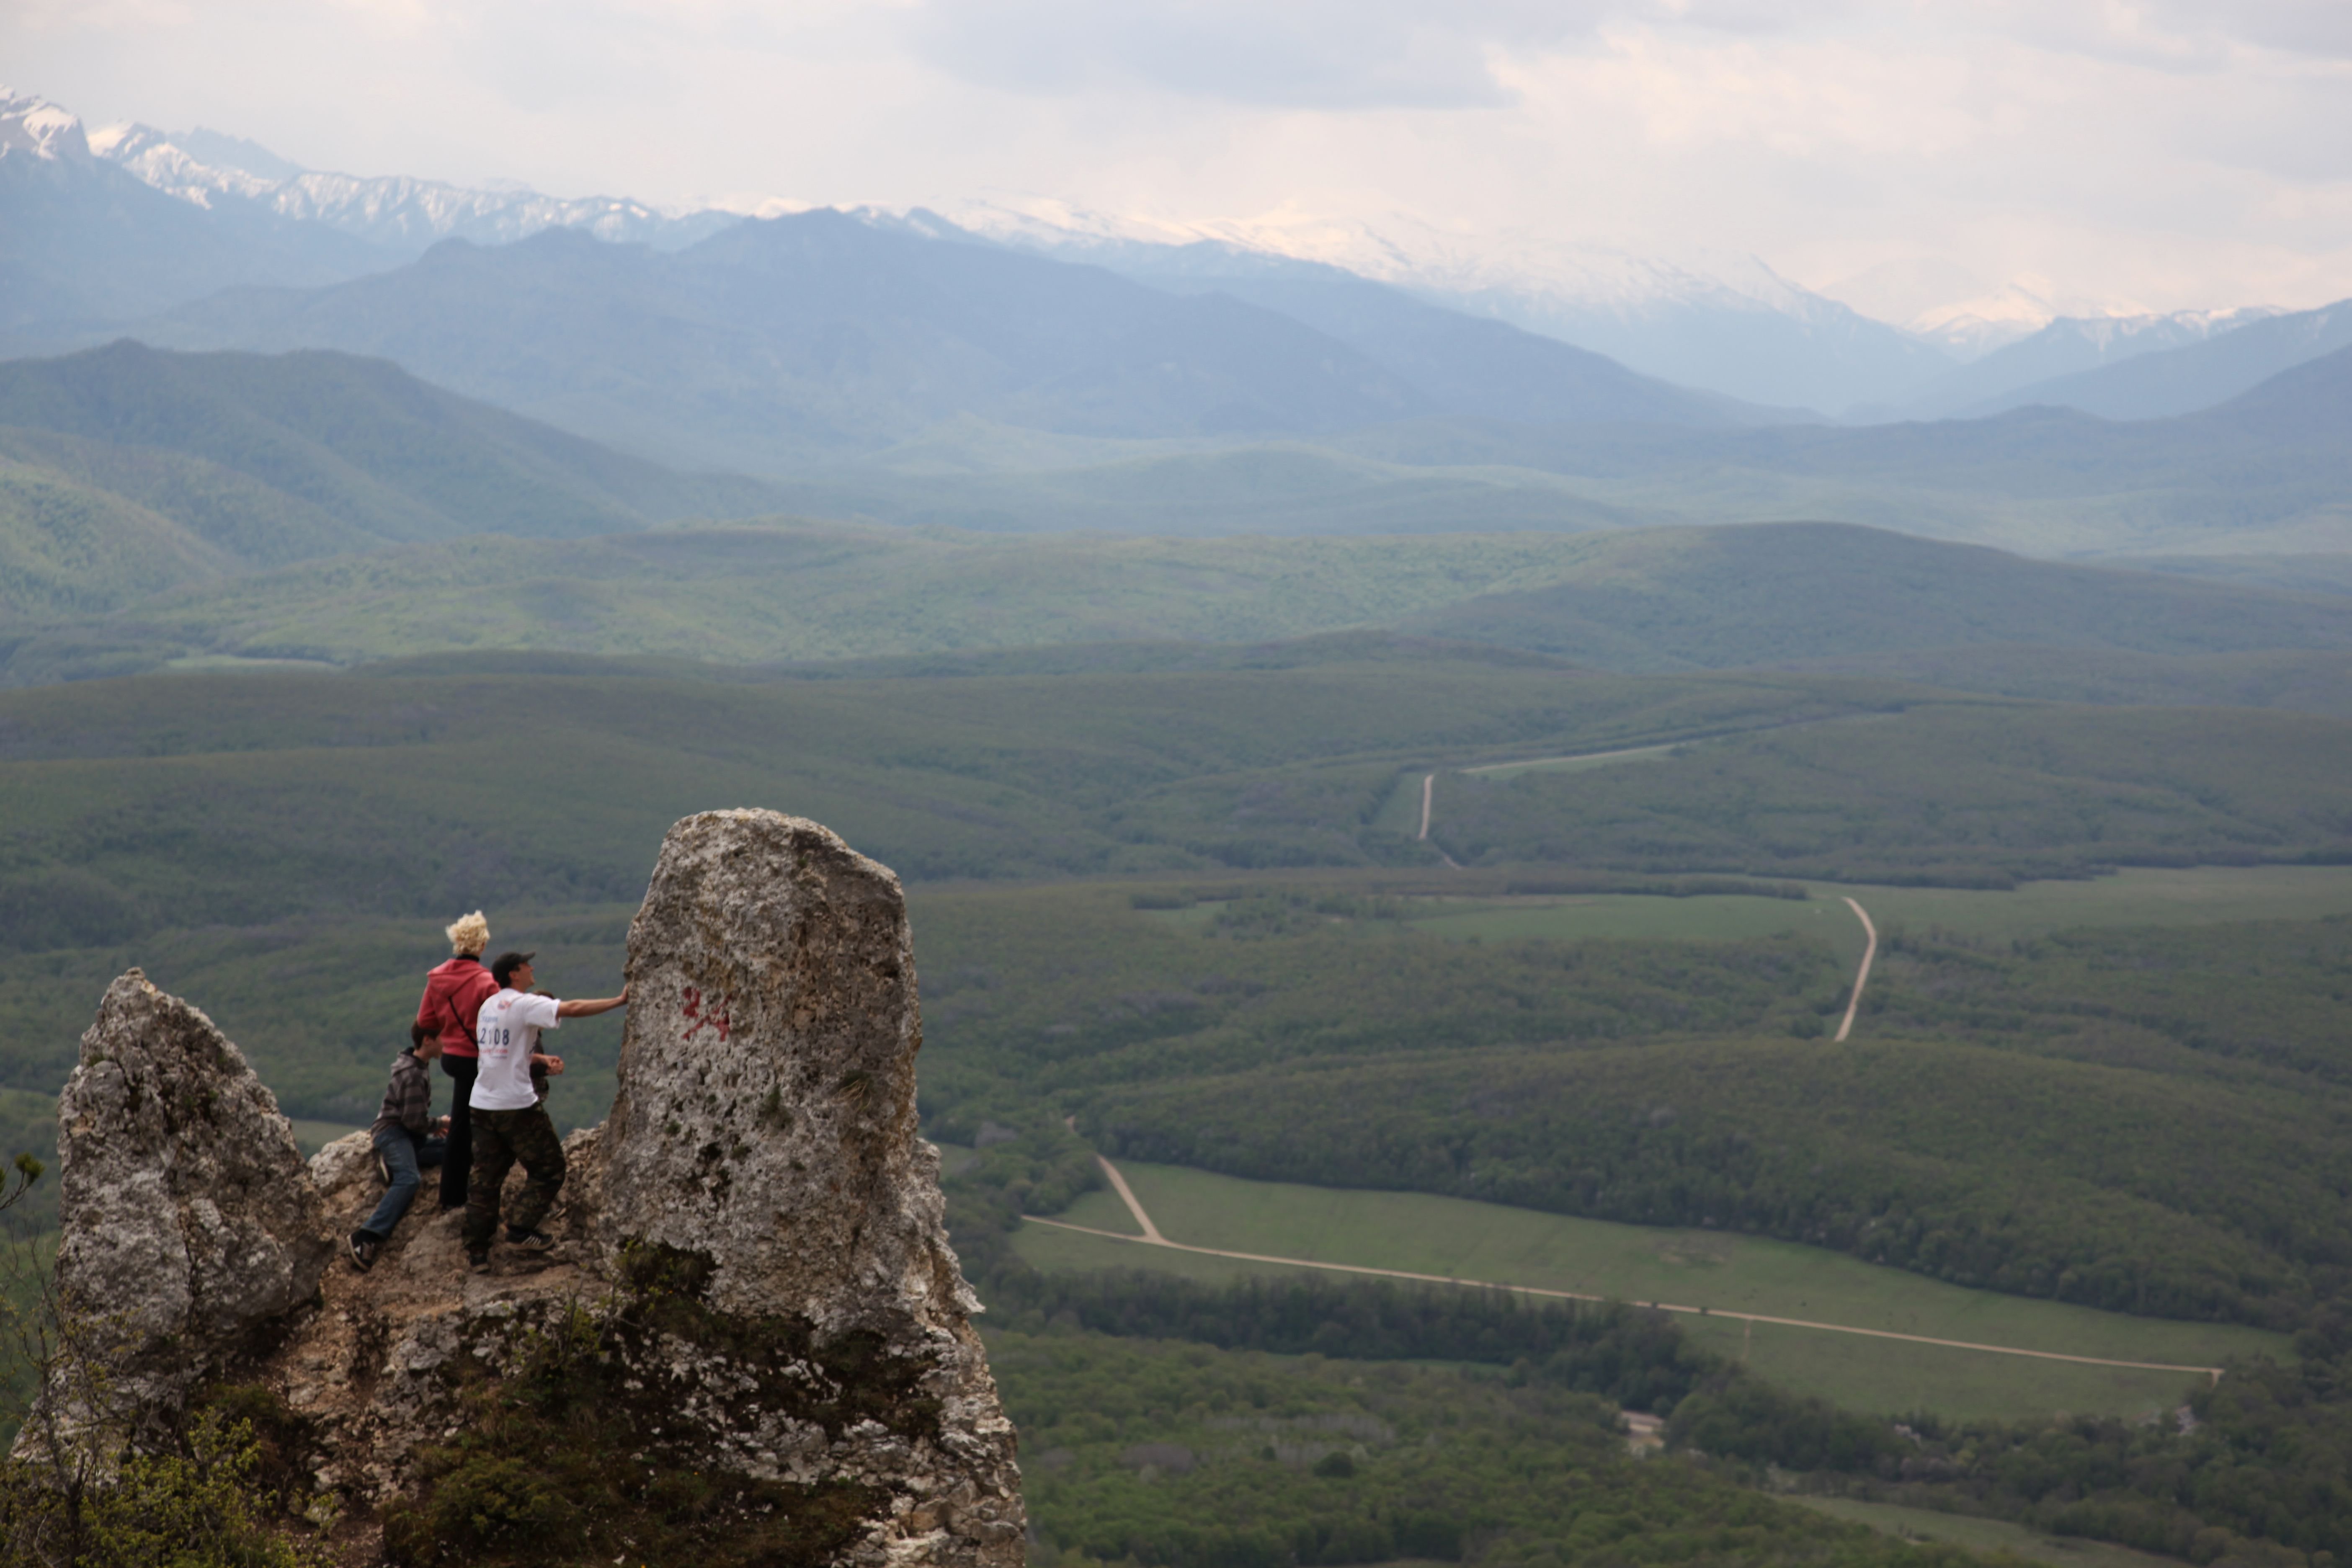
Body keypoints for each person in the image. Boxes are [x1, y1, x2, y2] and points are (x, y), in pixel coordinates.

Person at [464, 950, 627, 1272]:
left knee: (485, 1179)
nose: (532, 968)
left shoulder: (488, 1006)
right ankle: (521, 1229)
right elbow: (573, 1008)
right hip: (516, 1105)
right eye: (526, 965)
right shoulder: (524, 1004)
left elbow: (503, 1052)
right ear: (515, 974)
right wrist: (618, 1001)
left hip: (482, 1103)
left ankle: (478, 1252)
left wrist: (539, 1060)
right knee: (550, 1168)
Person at [348, 1022, 451, 1271]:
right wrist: (438, 1123)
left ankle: (394, 1164)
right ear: (428, 1040)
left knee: (453, 1151)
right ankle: (366, 1236)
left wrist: (432, 1126)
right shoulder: (414, 1074)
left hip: (407, 1136)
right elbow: (412, 1121)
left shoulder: (417, 1067)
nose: (446, 1043)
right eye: (442, 1038)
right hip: (393, 1134)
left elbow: (413, 1118)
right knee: (410, 1179)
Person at [416, 911, 498, 1211]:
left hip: (451, 1057)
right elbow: (500, 1022)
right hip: (478, 1060)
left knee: (462, 1123)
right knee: (476, 1126)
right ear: (482, 946)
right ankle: (463, 1195)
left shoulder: (437, 978)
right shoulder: (486, 981)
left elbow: (426, 1019)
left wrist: (451, 1027)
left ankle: (451, 1196)